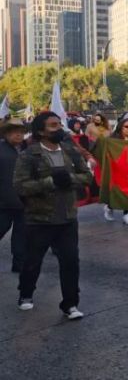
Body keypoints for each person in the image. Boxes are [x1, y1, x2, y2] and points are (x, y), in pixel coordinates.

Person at [15, 111, 93, 318]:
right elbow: (21, 186)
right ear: (41, 131)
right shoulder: (29, 154)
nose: (58, 128)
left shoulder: (69, 150)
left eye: (59, 124)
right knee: (33, 261)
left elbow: (86, 176)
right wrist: (50, 182)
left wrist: (69, 179)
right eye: (52, 125)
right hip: (39, 219)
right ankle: (26, 294)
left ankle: (70, 304)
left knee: (70, 261)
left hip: (67, 217)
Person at [0, 119, 28, 273]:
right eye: (14, 131)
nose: (19, 134)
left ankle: (19, 263)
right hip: (4, 202)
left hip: (23, 200)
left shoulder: (23, 148)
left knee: (21, 234)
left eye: (22, 131)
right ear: (6, 133)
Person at [103, 118, 128, 225]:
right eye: (126, 127)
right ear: (120, 127)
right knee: (116, 191)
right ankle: (109, 207)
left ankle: (126, 214)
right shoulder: (113, 140)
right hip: (116, 170)